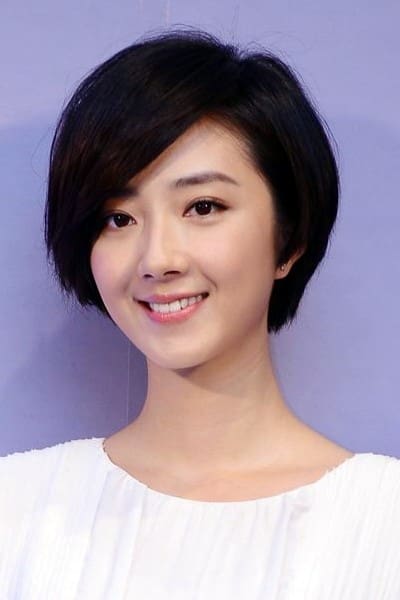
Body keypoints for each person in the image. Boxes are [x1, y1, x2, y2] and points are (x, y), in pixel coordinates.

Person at [1, 28, 399, 599]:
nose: (158, 259)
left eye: (203, 207)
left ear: (289, 239)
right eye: (118, 218)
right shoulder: (18, 508)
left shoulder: (382, 525)